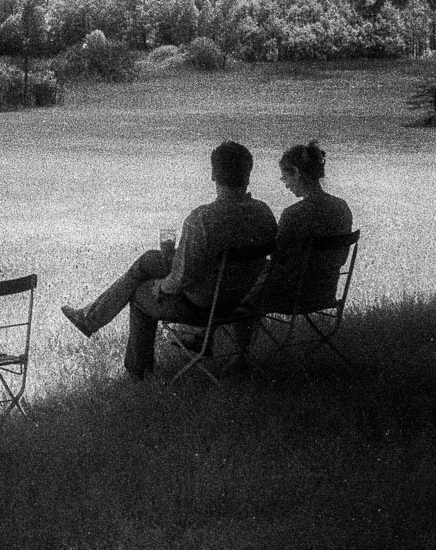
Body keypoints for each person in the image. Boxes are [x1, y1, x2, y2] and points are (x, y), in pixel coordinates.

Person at [61, 141, 277, 378]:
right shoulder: (264, 213)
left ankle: (137, 372)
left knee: (140, 293)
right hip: (239, 299)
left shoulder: (202, 219)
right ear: (248, 173)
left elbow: (184, 276)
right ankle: (89, 317)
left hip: (202, 305)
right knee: (149, 261)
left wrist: (161, 288)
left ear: (213, 174)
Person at [255, 141, 354, 311]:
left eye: (285, 177)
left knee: (248, 278)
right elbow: (342, 258)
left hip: (293, 296)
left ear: (297, 172)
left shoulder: (293, 214)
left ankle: (211, 332)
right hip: (325, 292)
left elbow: (277, 258)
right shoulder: (341, 207)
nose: (285, 184)